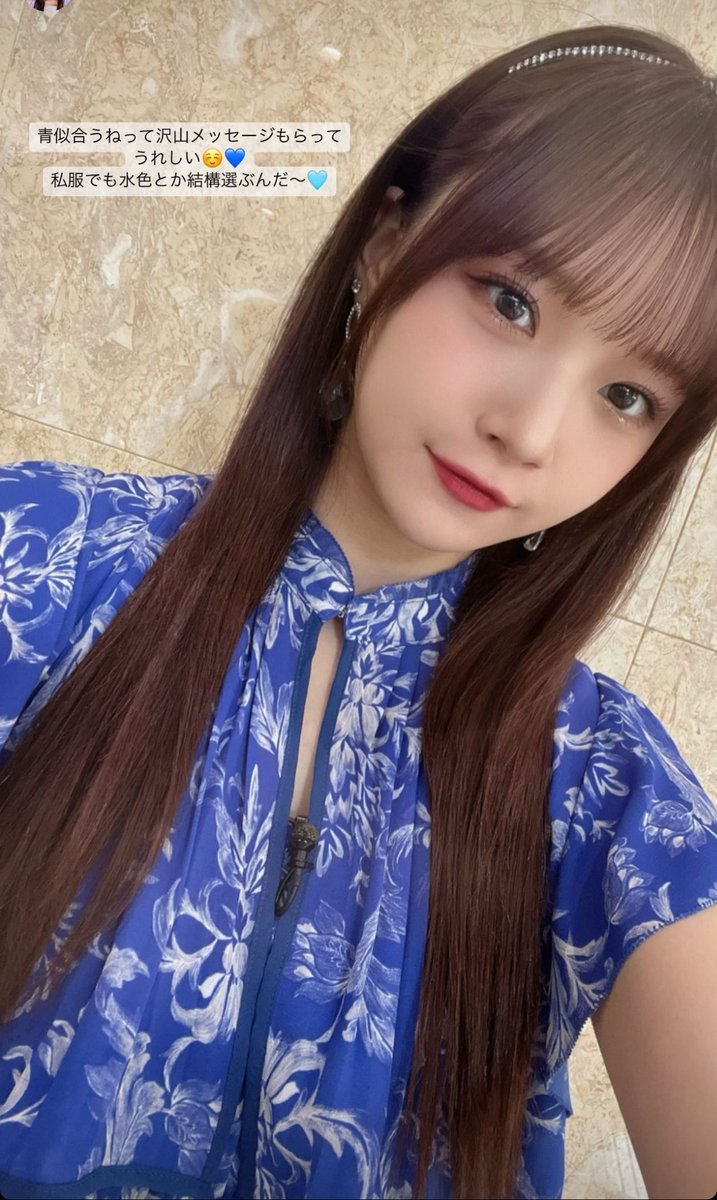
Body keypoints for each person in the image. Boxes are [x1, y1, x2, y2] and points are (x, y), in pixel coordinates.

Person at [1, 20, 716, 1200]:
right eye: (510, 302)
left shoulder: (601, 787)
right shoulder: (46, 561)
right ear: (386, 246)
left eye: (629, 395)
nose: (530, 431)